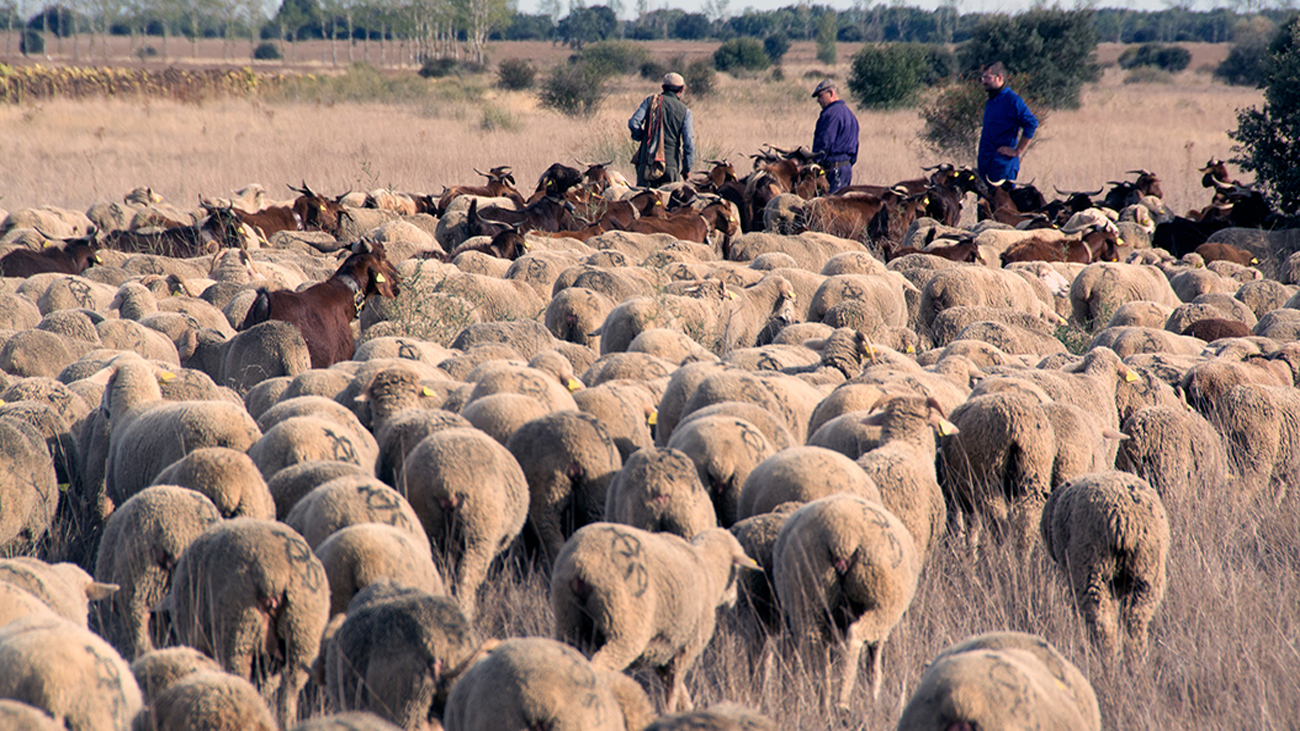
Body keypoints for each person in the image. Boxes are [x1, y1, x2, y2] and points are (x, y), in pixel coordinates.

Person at [628, 72, 695, 188]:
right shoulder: (685, 111)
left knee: (644, 201)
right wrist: (686, 168)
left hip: (647, 164)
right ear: (682, 89)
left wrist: (642, 137)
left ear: (663, 87)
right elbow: (688, 142)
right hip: (670, 167)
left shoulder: (650, 102)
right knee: (669, 204)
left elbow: (634, 123)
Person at [978, 62, 1039, 184]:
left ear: (999, 77)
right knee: (984, 203)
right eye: (983, 78)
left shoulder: (1012, 100)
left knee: (1002, 202)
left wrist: (1017, 151)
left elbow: (1031, 123)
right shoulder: (990, 101)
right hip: (985, 165)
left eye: (987, 78)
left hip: (1001, 167)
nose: (983, 82)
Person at [811, 78, 859, 193]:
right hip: (846, 168)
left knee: (830, 205)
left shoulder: (830, 114)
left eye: (820, 96)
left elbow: (824, 142)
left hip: (833, 169)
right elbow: (856, 146)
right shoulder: (850, 114)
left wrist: (815, 163)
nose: (818, 100)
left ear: (831, 93)